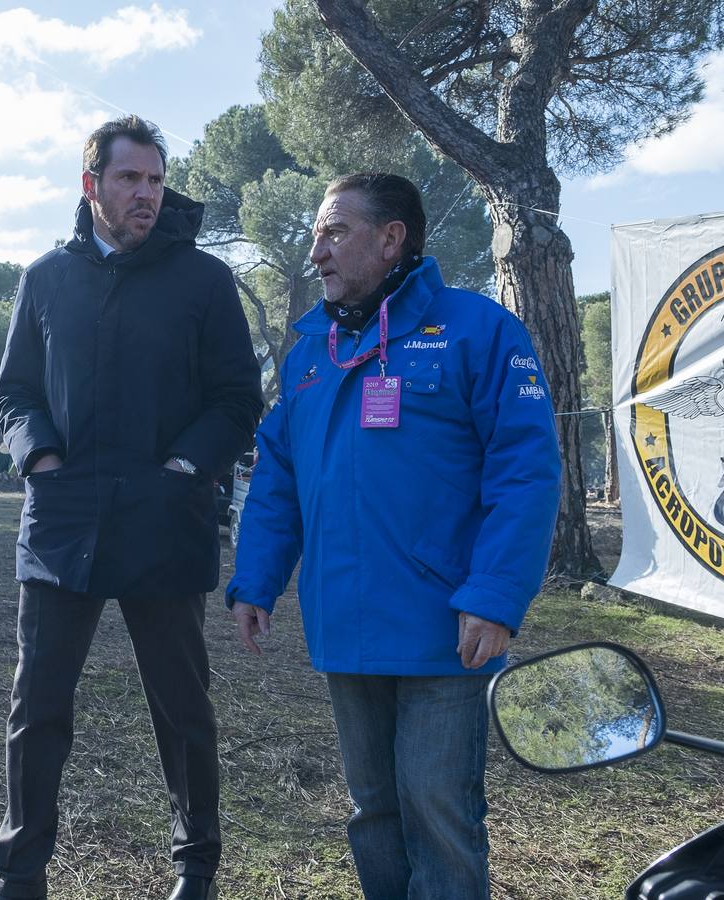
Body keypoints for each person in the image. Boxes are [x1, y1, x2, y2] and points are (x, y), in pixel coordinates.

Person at [226, 173, 561, 899]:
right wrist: (257, 577)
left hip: (445, 626)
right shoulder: (311, 352)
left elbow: (526, 472)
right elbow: (279, 474)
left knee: (438, 811)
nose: (316, 250)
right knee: (372, 812)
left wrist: (497, 597)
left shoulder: (479, 330)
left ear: (391, 238)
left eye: (334, 231)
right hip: (346, 622)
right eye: (316, 233)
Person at [0, 115, 263, 900]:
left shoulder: (204, 281)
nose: (147, 194)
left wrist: (186, 464)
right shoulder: (45, 279)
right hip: (62, 521)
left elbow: (236, 397)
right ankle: (20, 873)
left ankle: (196, 871)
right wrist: (38, 457)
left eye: (155, 180)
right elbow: (15, 393)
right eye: (129, 179)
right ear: (92, 186)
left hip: (165, 518)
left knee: (182, 710)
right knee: (37, 708)